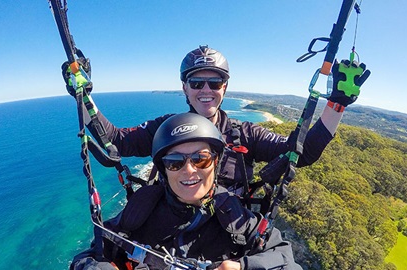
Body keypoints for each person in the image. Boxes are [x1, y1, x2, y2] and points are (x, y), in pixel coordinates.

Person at [62, 45, 370, 203]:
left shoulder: (244, 133)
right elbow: (116, 141)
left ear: (225, 87)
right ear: (184, 88)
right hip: (170, 223)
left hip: (229, 229)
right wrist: (83, 98)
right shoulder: (165, 128)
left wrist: (336, 104)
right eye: (197, 83)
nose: (206, 90)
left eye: (215, 82)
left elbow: (299, 152)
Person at [71, 113, 303, 270]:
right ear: (163, 169)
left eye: (200, 159)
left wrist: (243, 266)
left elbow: (285, 260)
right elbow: (89, 256)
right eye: (175, 162)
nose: (189, 170)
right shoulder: (141, 211)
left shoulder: (237, 218)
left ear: (216, 162)